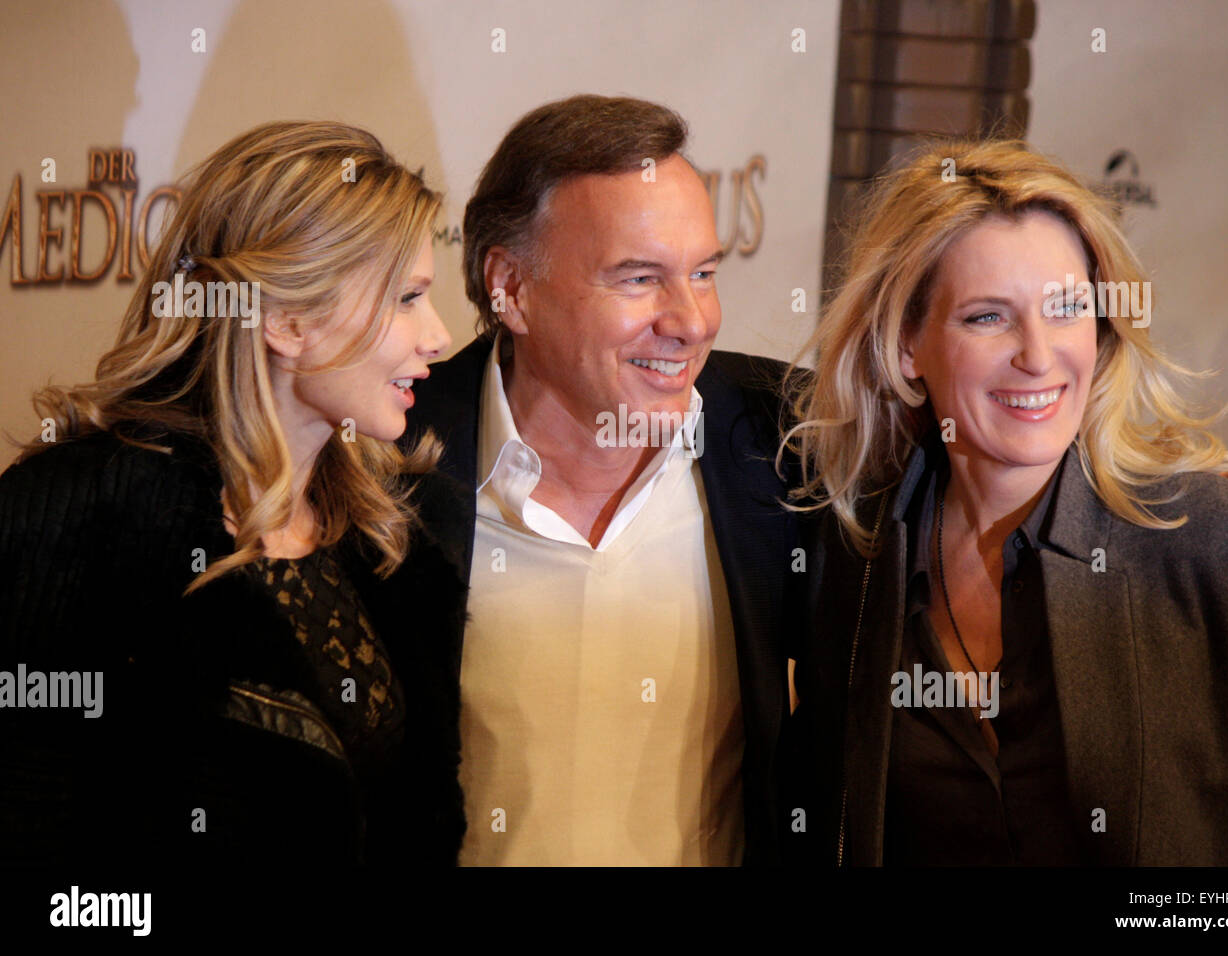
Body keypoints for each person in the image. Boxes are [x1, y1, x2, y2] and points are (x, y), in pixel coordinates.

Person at [782, 138, 1228, 866]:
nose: (1037, 354)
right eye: (987, 317)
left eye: (1065, 310)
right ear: (906, 347)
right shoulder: (856, 562)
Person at [0, 120, 467, 869]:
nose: (438, 336)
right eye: (406, 298)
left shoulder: (396, 530)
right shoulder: (78, 518)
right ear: (284, 321)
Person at [406, 94, 802, 865]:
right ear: (510, 289)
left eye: (704, 273)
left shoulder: (786, 445)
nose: (690, 320)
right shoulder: (385, 458)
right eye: (639, 279)